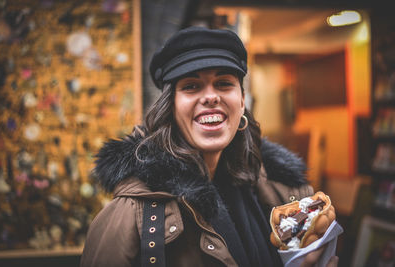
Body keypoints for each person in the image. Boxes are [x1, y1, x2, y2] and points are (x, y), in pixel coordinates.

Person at [80, 26, 338, 267]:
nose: (211, 96)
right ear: (170, 107)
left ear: (241, 101)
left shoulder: (287, 196)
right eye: (191, 86)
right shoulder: (130, 217)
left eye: (224, 83)